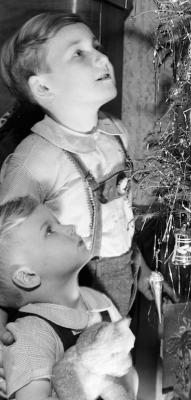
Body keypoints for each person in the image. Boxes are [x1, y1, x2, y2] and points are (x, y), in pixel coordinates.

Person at [0, 11, 176, 396]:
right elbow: (6, 242)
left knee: (113, 366)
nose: (101, 57)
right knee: (73, 379)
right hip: (70, 287)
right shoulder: (36, 159)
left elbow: (120, 210)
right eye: (77, 53)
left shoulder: (115, 134)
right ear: (43, 88)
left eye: (95, 47)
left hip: (117, 279)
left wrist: (139, 267)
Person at [0, 196, 138, 399]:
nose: (71, 227)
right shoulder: (31, 338)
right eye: (49, 231)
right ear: (28, 276)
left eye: (59, 222)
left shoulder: (100, 302)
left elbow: (127, 374)